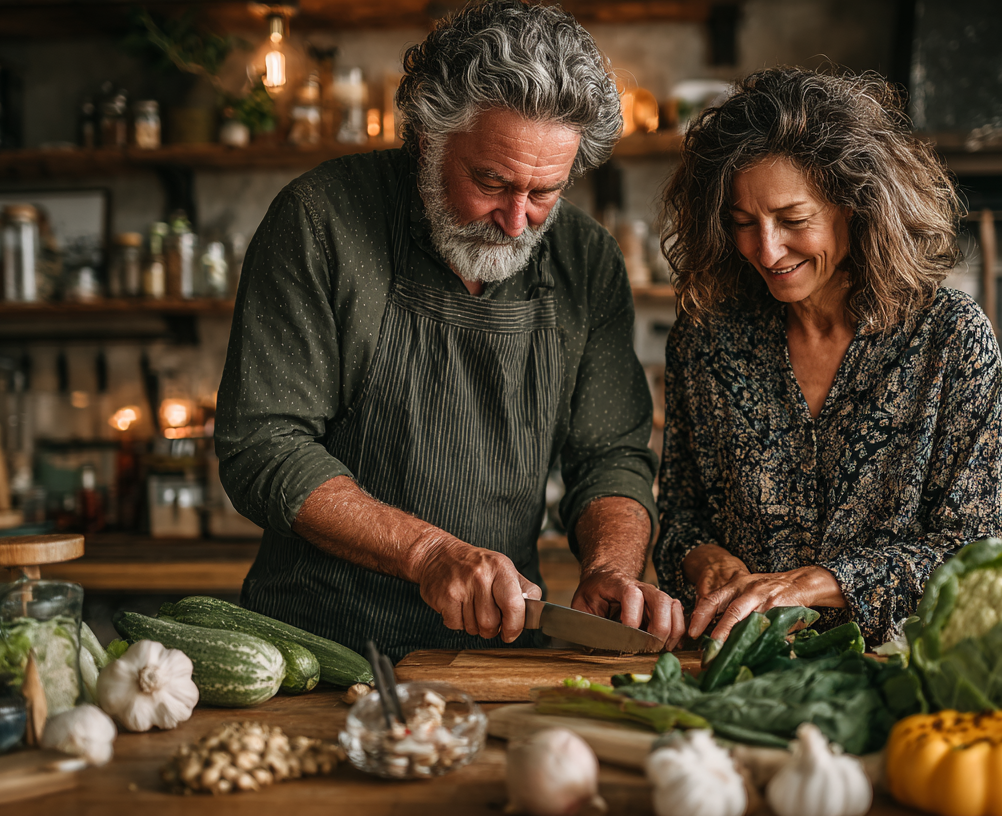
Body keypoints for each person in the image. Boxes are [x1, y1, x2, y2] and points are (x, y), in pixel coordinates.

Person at [215, 0, 684, 661]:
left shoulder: (585, 259)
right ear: (429, 138)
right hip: (317, 651)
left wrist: (611, 567)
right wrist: (430, 553)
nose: (517, 221)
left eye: (545, 192)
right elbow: (262, 443)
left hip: (501, 653)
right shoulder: (321, 222)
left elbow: (610, 455)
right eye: (491, 182)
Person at [652, 68, 1002, 648]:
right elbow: (679, 520)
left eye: (793, 221)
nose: (765, 251)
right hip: (740, 673)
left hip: (901, 677)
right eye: (743, 224)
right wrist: (703, 559)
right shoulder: (707, 338)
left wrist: (821, 584)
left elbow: (976, 557)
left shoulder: (951, 339)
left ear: (857, 204)